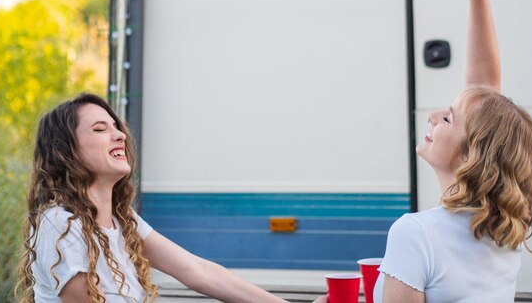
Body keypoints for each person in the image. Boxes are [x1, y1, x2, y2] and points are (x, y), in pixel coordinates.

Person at [373, 0, 532, 303]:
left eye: (447, 119)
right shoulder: (507, 227)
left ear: (471, 156)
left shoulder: (416, 234)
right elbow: (485, 97)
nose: (432, 116)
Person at [16, 93, 328, 302]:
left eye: (116, 127)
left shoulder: (124, 223)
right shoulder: (60, 222)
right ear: (66, 150)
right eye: (100, 129)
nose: (120, 135)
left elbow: (199, 272)